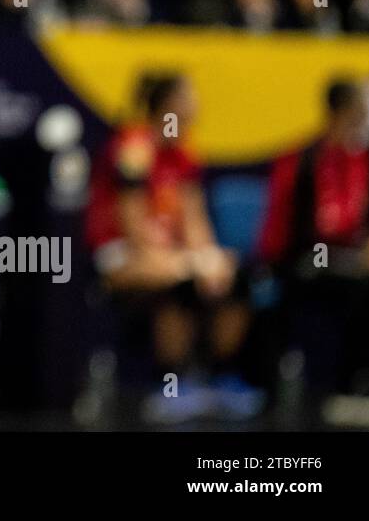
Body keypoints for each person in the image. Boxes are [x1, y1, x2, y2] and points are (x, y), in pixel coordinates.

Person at [85, 73, 262, 422]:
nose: (195, 111)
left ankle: (222, 377)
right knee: (175, 285)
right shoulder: (134, 148)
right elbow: (132, 226)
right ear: (166, 109)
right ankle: (169, 385)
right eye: (187, 104)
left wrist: (209, 258)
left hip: (171, 255)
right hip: (120, 252)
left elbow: (194, 219)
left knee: (237, 279)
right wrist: (180, 264)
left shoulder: (182, 153)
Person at [258, 79, 369, 396]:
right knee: (357, 289)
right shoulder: (303, 160)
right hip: (305, 259)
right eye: (360, 109)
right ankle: (342, 386)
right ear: (341, 111)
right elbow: (280, 226)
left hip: (352, 260)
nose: (365, 117)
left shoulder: (364, 160)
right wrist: (272, 263)